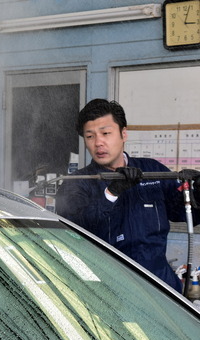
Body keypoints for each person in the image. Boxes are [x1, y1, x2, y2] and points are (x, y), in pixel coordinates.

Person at [55, 98, 200, 293]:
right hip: (109, 292)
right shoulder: (78, 182)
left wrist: (198, 193)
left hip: (161, 288)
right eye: (90, 136)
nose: (98, 143)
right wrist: (111, 192)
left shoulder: (152, 170)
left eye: (106, 133)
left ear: (123, 134)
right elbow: (74, 232)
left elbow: (185, 214)